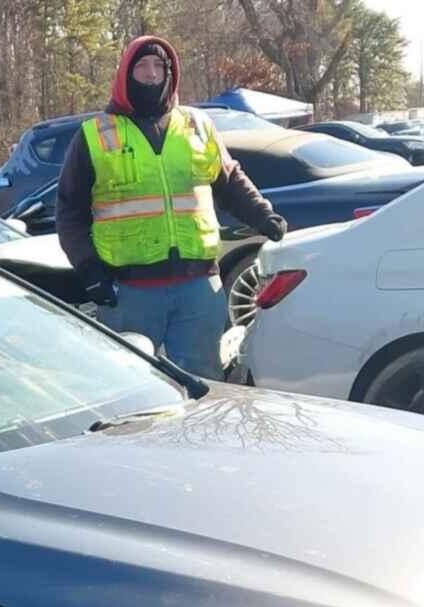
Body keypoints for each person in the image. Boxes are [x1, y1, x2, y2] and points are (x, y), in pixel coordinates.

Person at [55, 35, 286, 381]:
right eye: (142, 66)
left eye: (159, 66)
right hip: (129, 293)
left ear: (171, 73)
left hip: (198, 288)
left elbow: (229, 181)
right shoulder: (96, 134)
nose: (151, 74)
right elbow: (69, 212)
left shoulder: (197, 126)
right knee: (131, 387)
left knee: (203, 383)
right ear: (125, 75)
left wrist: (263, 214)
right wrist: (90, 272)